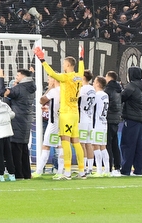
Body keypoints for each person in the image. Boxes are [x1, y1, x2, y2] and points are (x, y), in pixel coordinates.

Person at [36, 45, 86, 180]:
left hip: (66, 113)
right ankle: (82, 172)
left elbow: (52, 74)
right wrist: (81, 58)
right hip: (76, 113)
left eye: (64, 63)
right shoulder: (78, 76)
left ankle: (67, 172)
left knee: (65, 141)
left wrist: (42, 60)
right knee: (76, 142)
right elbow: (81, 69)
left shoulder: (66, 77)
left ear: (68, 65)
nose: (63, 65)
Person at [4, 68, 36, 180]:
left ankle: (18, 174)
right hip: (26, 121)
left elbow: (3, 94)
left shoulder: (19, 89)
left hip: (17, 120)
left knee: (16, 149)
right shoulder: (31, 87)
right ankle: (26, 173)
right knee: (23, 149)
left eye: (18, 75)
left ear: (22, 76)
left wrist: (0, 78)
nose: (16, 77)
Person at [119, 66, 142, 176]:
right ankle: (138, 170)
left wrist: (120, 89)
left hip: (131, 118)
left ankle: (125, 170)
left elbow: (122, 97)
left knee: (127, 144)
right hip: (141, 118)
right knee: (139, 145)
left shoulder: (131, 86)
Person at [35, 77, 63, 177]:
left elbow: (41, 100)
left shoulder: (54, 91)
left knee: (46, 146)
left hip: (53, 123)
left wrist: (49, 89)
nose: (48, 81)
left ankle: (38, 171)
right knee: (60, 145)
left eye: (49, 79)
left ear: (55, 80)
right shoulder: (65, 90)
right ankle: (60, 171)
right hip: (63, 122)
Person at [104, 70, 123, 175]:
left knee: (108, 144)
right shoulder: (120, 90)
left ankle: (109, 167)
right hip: (116, 119)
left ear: (109, 78)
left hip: (109, 119)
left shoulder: (108, 90)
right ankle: (117, 166)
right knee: (115, 144)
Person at [77, 71, 96, 176]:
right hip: (89, 118)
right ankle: (89, 168)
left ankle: (83, 168)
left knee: (81, 144)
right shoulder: (92, 89)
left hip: (82, 119)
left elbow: (77, 101)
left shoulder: (82, 89)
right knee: (89, 144)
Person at [92, 76, 111, 176]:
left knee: (96, 146)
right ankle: (107, 169)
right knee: (103, 147)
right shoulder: (105, 95)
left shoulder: (97, 95)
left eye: (95, 82)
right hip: (104, 123)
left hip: (96, 123)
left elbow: (91, 106)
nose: (93, 83)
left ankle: (99, 170)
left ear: (98, 84)